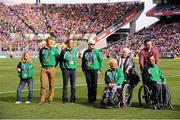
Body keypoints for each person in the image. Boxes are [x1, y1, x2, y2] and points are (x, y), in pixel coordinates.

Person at [82, 39, 104, 103]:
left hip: (95, 70)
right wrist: (83, 69)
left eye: (94, 44)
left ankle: (94, 99)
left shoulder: (97, 52)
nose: (92, 45)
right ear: (88, 45)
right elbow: (83, 62)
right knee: (89, 84)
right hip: (88, 71)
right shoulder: (85, 52)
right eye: (91, 44)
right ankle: (89, 98)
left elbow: (101, 61)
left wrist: (99, 70)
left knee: (94, 85)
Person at [39, 37, 59, 104]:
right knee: (43, 84)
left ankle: (50, 99)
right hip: (44, 69)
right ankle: (42, 99)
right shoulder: (42, 50)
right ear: (46, 42)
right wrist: (44, 65)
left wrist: (53, 66)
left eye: (52, 42)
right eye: (50, 42)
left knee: (52, 85)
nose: (51, 43)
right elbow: (40, 59)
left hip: (52, 68)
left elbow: (57, 59)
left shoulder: (55, 50)